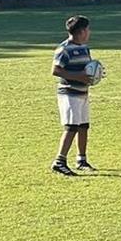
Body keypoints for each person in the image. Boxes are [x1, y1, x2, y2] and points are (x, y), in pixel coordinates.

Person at [50, 16, 95, 176]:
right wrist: (79, 77)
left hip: (82, 93)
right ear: (82, 31)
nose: (89, 32)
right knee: (71, 127)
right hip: (69, 93)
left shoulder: (84, 48)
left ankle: (81, 159)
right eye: (88, 29)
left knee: (83, 126)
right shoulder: (64, 49)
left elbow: (86, 68)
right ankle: (59, 161)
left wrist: (93, 75)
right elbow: (56, 70)